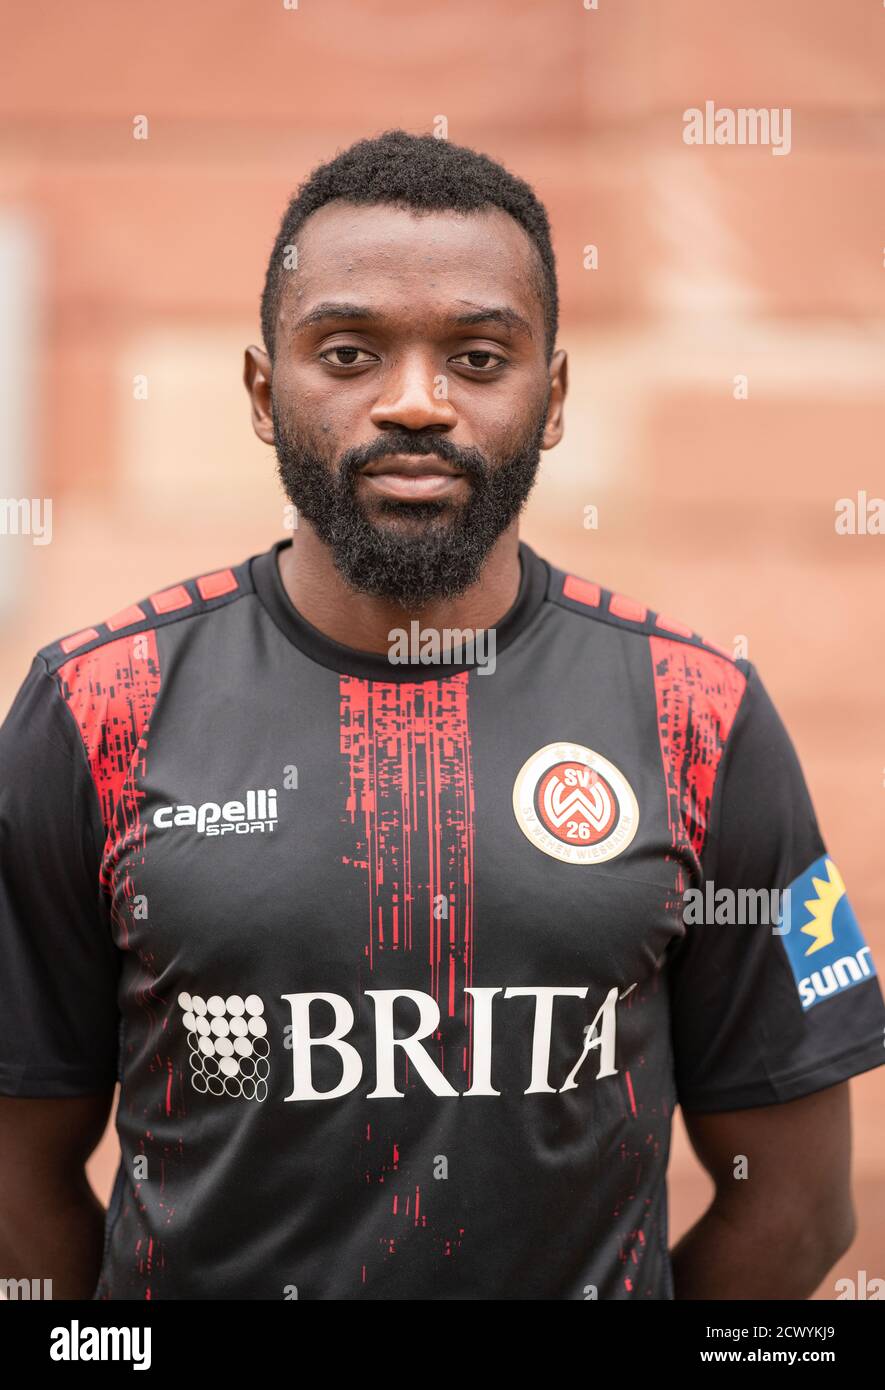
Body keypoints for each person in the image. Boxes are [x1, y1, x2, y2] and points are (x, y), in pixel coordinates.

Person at [1, 130, 882, 1301]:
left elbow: (798, 1204)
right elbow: (15, 1183)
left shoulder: (696, 711)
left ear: (552, 397)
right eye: (351, 350)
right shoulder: (95, 705)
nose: (416, 403)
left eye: (477, 357)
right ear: (266, 392)